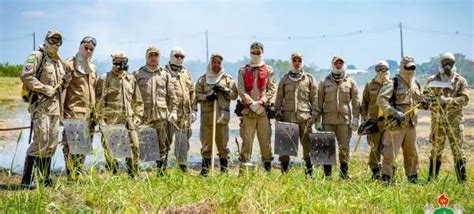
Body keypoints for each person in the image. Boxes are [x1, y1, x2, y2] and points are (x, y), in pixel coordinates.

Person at [20, 30, 66, 187]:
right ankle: (27, 180)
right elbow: (26, 76)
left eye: (59, 41)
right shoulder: (37, 55)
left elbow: (60, 85)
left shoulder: (58, 62)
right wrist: (45, 89)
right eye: (52, 40)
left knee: (52, 143)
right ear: (46, 40)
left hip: (55, 107)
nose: (55, 44)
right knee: (41, 140)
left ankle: (44, 179)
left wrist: (65, 81)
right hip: (40, 106)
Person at [377, 56, 428, 183]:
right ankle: (386, 179)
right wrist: (394, 112)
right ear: (402, 67)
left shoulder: (416, 84)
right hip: (396, 125)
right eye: (408, 67)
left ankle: (412, 178)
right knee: (390, 153)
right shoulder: (393, 83)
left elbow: (420, 103)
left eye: (413, 67)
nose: (410, 70)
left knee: (412, 152)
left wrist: (425, 103)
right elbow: (381, 100)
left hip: (411, 125)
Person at [96, 52, 144, 177]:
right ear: (113, 63)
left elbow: (137, 100)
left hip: (129, 119)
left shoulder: (130, 79)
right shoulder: (105, 79)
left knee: (135, 146)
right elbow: (98, 101)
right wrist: (101, 120)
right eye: (119, 62)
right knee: (112, 148)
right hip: (111, 120)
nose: (121, 65)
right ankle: (114, 173)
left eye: (124, 62)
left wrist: (138, 116)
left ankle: (133, 173)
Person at [133, 46, 178, 176]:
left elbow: (172, 95)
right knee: (139, 144)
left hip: (161, 116)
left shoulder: (165, 74)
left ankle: (161, 172)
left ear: (159, 57)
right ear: (146, 57)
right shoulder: (138, 74)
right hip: (143, 116)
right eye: (150, 55)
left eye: (155, 55)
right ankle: (135, 173)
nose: (153, 58)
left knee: (162, 145)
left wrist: (173, 111)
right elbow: (132, 95)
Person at [425, 52, 469, 183]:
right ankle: (432, 180)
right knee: (436, 151)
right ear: (441, 64)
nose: (447, 65)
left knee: (458, 151)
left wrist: (448, 101)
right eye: (445, 63)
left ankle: (462, 181)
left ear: (454, 64)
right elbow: (425, 99)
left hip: (454, 123)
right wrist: (433, 101)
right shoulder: (433, 80)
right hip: (437, 123)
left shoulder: (460, 81)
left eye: (450, 63)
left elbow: (465, 99)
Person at [315, 55, 359, 179]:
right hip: (328, 120)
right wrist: (317, 120)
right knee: (327, 145)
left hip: (344, 121)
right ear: (332, 64)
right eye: (336, 63)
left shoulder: (350, 82)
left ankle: (344, 174)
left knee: (344, 146)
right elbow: (319, 102)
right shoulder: (324, 82)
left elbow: (356, 103)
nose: (338, 65)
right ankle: (327, 175)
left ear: (343, 64)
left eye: (340, 63)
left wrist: (356, 118)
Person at [274, 53, 318, 176]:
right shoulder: (285, 79)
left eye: (299, 60)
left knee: (308, 147)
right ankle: (284, 173)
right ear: (291, 62)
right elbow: (279, 97)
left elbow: (315, 98)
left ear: (302, 62)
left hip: (305, 118)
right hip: (287, 117)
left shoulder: (309, 79)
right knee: (285, 148)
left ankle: (309, 173)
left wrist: (314, 115)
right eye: (295, 60)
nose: (297, 63)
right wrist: (278, 111)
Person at [194, 53, 238, 176]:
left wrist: (225, 90)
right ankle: (206, 171)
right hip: (207, 118)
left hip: (222, 118)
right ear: (210, 63)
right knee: (206, 146)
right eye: (214, 62)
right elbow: (196, 95)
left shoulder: (227, 79)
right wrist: (207, 96)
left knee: (223, 146)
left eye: (219, 63)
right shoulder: (203, 79)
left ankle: (224, 171)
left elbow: (234, 95)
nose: (216, 65)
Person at [62, 36, 98, 180]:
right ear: (80, 46)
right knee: (70, 144)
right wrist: (61, 113)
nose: (88, 50)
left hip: (90, 113)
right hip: (73, 111)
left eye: (91, 49)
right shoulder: (69, 65)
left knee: (84, 144)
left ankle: (78, 171)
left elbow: (94, 89)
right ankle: (71, 174)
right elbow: (62, 89)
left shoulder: (93, 67)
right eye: (86, 47)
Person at [237, 42, 277, 171]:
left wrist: (261, 102)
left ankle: (267, 170)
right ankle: (244, 170)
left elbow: (272, 89)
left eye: (258, 52)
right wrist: (250, 102)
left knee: (265, 142)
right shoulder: (243, 70)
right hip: (248, 111)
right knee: (247, 141)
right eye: (253, 52)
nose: (255, 55)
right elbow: (241, 89)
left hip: (263, 112)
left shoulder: (268, 70)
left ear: (262, 53)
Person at [162, 47, 195, 172]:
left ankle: (182, 168)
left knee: (182, 143)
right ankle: (162, 168)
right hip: (168, 114)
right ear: (171, 56)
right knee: (165, 141)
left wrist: (193, 110)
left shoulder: (186, 72)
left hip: (184, 114)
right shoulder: (164, 72)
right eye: (177, 56)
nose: (179, 58)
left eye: (182, 56)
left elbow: (192, 91)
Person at [360, 60, 390, 180]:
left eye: (383, 69)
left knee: (388, 148)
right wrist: (364, 120)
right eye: (378, 69)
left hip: (388, 122)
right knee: (374, 148)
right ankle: (376, 173)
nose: (380, 71)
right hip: (373, 122)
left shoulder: (392, 84)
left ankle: (388, 172)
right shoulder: (369, 84)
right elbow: (365, 103)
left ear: (387, 70)